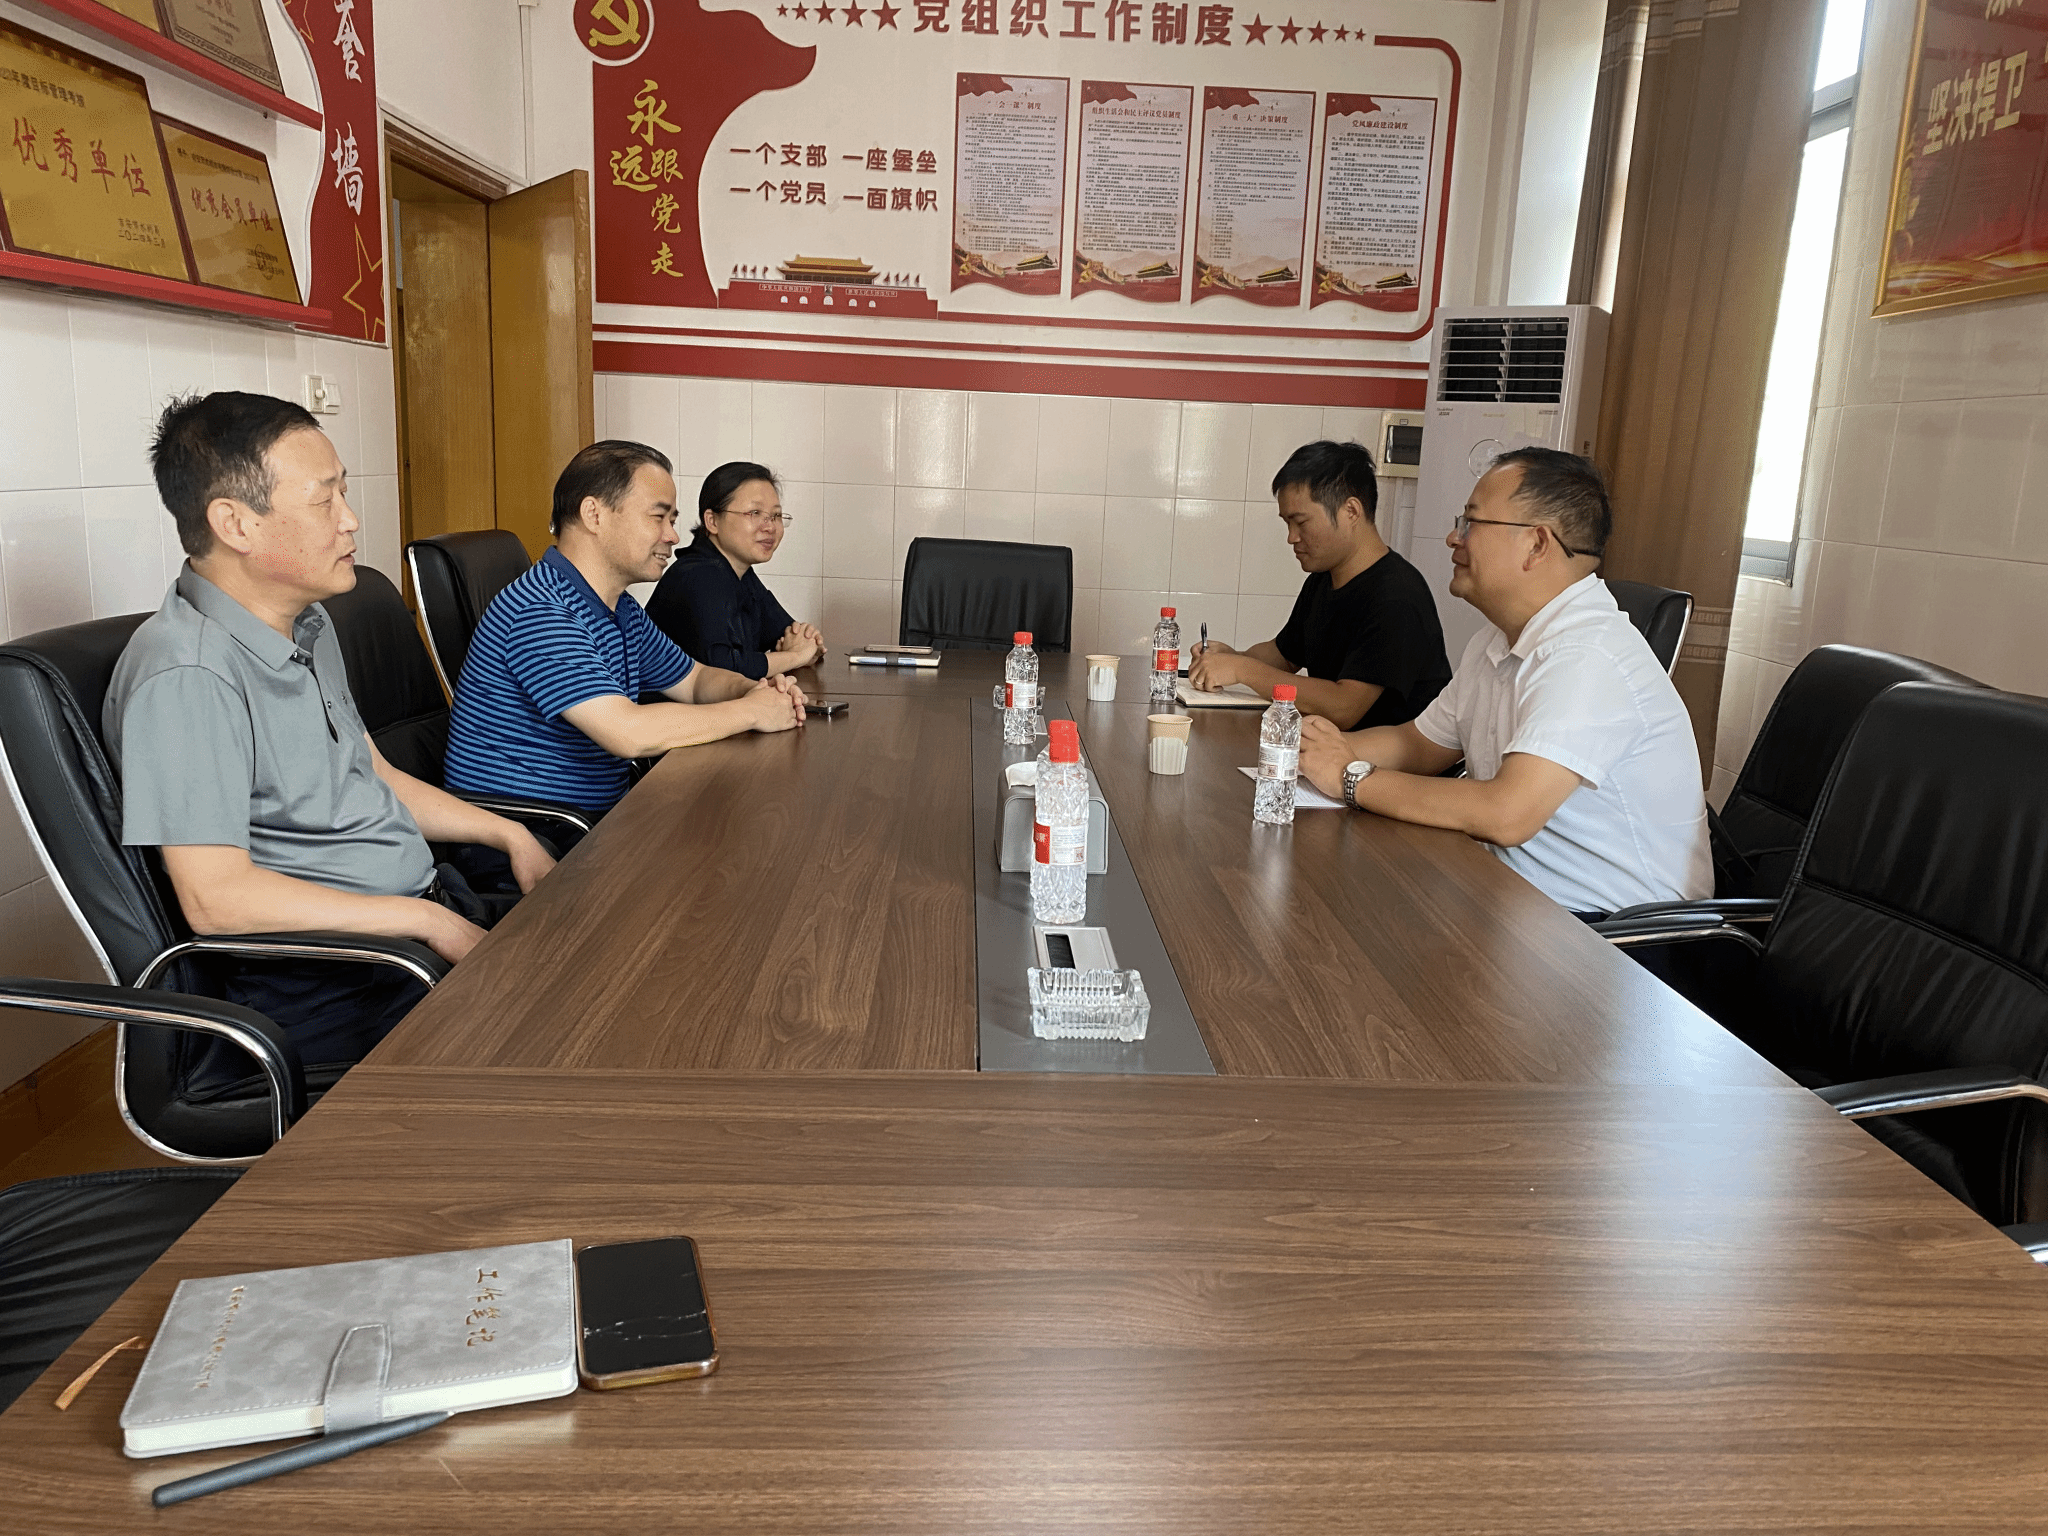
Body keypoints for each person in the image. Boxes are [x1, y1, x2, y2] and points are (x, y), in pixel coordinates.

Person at [106, 392, 557, 1091]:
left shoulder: (306, 625)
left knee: (612, 957)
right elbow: (216, 900)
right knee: (580, 1049)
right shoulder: (187, 676)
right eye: (325, 500)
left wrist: (508, 834)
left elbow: (371, 774)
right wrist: (424, 922)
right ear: (235, 523)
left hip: (418, 916)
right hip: (336, 980)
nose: (350, 519)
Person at [1297, 447, 1712, 917]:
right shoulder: (1496, 640)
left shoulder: (1589, 655)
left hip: (1612, 937)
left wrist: (1349, 777)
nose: (1454, 537)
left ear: (1536, 544)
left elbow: (1506, 814)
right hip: (1512, 898)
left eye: (1471, 523)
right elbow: (1417, 744)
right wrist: (1310, 749)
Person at [444, 440, 806, 818]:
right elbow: (627, 732)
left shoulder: (620, 608)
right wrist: (751, 712)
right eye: (658, 517)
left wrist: (754, 691)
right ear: (594, 514)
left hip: (598, 819)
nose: (673, 536)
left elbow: (695, 680)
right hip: (537, 831)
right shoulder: (542, 611)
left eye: (672, 520)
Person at [1188, 439, 1450, 728]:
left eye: (1301, 522)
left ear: (1351, 511)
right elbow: (1283, 656)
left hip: (1378, 754)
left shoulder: (1397, 596)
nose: (1292, 537)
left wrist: (1243, 670)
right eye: (1287, 524)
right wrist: (1230, 659)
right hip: (1328, 746)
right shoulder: (1323, 579)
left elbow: (1344, 706)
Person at [645, 462, 827, 678]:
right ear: (712, 521)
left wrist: (806, 643)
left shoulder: (740, 572)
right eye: (754, 513)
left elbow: (789, 633)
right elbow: (721, 670)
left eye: (776, 515)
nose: (770, 526)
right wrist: (796, 656)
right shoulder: (699, 575)